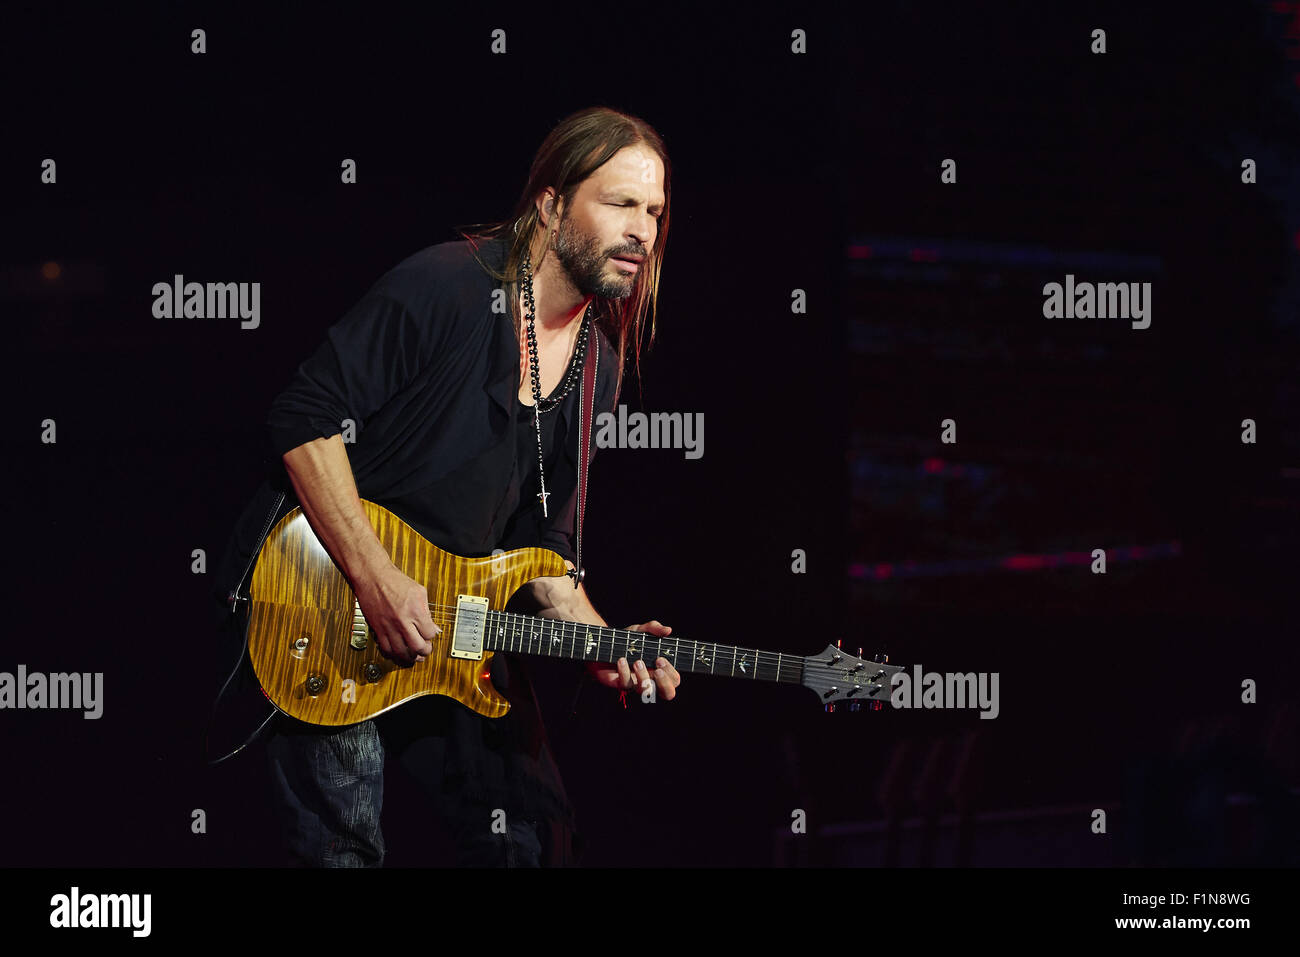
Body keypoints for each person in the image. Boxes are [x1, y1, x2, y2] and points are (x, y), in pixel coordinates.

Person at [210, 106, 681, 867]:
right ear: (552, 203)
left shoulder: (601, 365)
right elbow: (303, 417)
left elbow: (543, 545)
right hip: (322, 593)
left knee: (533, 832)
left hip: (449, 623)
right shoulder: (449, 284)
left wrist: (604, 643)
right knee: (343, 844)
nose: (643, 231)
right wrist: (373, 575)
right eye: (620, 203)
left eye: (655, 212)